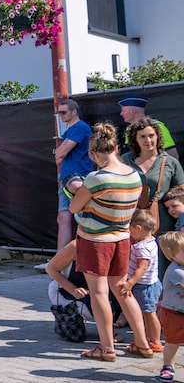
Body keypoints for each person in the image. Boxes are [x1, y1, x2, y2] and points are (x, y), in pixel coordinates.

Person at [69, 122, 153, 361]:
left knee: (99, 294)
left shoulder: (96, 178)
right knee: (123, 291)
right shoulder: (134, 175)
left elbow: (75, 207)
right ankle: (143, 343)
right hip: (122, 239)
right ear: (116, 148)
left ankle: (106, 349)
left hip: (95, 241)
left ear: (93, 153)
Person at [120, 210, 163, 353]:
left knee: (149, 314)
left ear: (138, 228)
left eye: (130, 229)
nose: (129, 233)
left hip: (145, 286)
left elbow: (141, 268)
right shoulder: (150, 241)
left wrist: (130, 282)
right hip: (151, 283)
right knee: (146, 314)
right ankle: (146, 339)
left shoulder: (143, 247)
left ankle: (155, 342)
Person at [56, 99, 93, 252]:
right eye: (59, 113)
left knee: (83, 218)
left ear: (74, 111)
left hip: (80, 176)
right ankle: (60, 259)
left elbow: (61, 153)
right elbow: (58, 156)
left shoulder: (80, 127)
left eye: (64, 112)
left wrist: (60, 151)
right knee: (63, 218)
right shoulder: (69, 131)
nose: (61, 116)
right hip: (66, 179)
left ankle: (85, 254)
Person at [157, 231, 184, 382]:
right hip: (173, 313)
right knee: (172, 343)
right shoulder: (176, 271)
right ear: (172, 255)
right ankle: (168, 366)